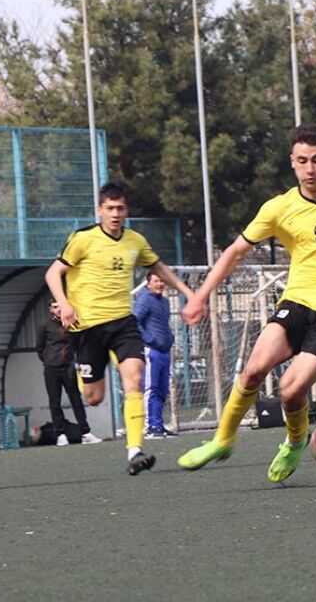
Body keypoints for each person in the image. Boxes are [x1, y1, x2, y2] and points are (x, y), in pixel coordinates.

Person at [177, 123, 316, 482]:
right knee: (252, 370)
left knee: (290, 390)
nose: (310, 169)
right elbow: (234, 252)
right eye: (302, 161)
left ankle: (296, 441)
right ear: (292, 163)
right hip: (296, 301)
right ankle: (222, 440)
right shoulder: (279, 207)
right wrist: (201, 296)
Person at [44, 181, 194, 475]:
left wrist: (189, 294)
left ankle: (135, 450)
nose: (115, 214)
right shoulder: (83, 239)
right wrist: (64, 303)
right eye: (110, 208)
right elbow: (53, 273)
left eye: (120, 208)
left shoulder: (135, 241)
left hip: (123, 323)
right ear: (100, 210)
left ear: (127, 211)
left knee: (135, 379)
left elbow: (157, 267)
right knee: (93, 398)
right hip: (87, 328)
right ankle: (83, 373)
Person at [36, 301, 101, 445]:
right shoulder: (45, 325)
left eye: (60, 306)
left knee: (76, 399)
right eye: (55, 307)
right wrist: (48, 360)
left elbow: (79, 343)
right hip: (52, 369)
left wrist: (75, 362)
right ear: (50, 309)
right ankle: (60, 434)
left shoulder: (72, 323)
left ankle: (85, 432)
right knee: (55, 401)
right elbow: (39, 347)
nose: (58, 310)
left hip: (69, 368)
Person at [133, 270, 177, 439]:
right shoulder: (144, 299)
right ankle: (150, 426)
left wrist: (170, 337)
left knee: (162, 389)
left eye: (162, 281)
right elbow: (135, 321)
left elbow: (164, 324)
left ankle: (158, 424)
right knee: (151, 388)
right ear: (148, 282)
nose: (160, 284)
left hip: (165, 351)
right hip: (152, 351)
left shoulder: (164, 302)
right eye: (156, 281)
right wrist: (150, 339)